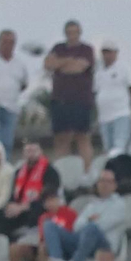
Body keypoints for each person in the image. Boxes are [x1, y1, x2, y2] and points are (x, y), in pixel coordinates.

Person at [47, 169, 125, 261]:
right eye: (101, 181)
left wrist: (89, 222)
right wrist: (89, 221)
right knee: (49, 225)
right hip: (84, 241)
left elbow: (102, 226)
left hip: (104, 247)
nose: (104, 184)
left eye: (108, 181)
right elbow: (76, 226)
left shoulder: (119, 204)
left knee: (92, 228)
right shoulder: (92, 205)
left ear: (114, 185)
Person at [45, 20, 96, 168]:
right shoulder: (58, 47)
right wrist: (68, 60)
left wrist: (60, 64)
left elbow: (78, 68)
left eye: (74, 32)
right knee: (61, 138)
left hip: (81, 99)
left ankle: (87, 173)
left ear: (79, 33)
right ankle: (62, 172)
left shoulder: (87, 49)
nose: (72, 35)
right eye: (69, 32)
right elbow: (49, 64)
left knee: (82, 136)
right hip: (60, 99)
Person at [0, 140, 57, 238]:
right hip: (19, 209)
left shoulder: (50, 172)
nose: (31, 154)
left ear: (41, 152)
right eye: (28, 151)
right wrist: (12, 206)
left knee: (36, 213)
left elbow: (48, 197)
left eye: (34, 151)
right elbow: (14, 194)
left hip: (37, 208)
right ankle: (9, 243)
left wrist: (23, 207)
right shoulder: (18, 172)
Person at [94, 40, 131, 158]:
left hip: (121, 114)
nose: (107, 55)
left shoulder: (123, 68)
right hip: (104, 117)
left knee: (120, 146)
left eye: (109, 52)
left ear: (115, 53)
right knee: (108, 149)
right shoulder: (98, 71)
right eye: (104, 52)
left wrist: (126, 107)